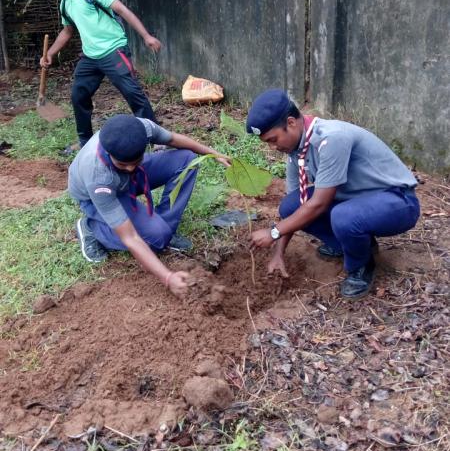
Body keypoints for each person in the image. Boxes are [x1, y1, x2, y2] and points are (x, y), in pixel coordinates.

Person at [246, 89, 420, 299]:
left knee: (344, 216)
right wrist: (278, 253)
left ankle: (361, 266)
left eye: (273, 139)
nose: (273, 147)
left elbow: (319, 203)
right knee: (290, 206)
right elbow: (294, 209)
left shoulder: (331, 138)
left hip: (397, 201)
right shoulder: (296, 151)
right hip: (358, 201)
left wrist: (273, 233)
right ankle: (356, 245)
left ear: (291, 123)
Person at [69, 114, 229, 298]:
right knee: (156, 241)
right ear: (109, 153)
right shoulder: (99, 177)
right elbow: (130, 237)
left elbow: (174, 139)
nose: (129, 168)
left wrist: (214, 153)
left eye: (135, 161)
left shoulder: (142, 129)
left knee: (187, 160)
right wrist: (168, 277)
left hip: (126, 180)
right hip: (97, 196)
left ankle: (165, 225)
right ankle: (91, 228)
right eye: (123, 163)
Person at [41, 0, 162, 151]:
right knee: (78, 95)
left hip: (114, 50)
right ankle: (85, 142)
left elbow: (122, 10)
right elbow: (67, 31)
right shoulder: (65, 3)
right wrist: (51, 53)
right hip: (90, 57)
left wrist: (146, 36)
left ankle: (157, 140)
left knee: (133, 94)